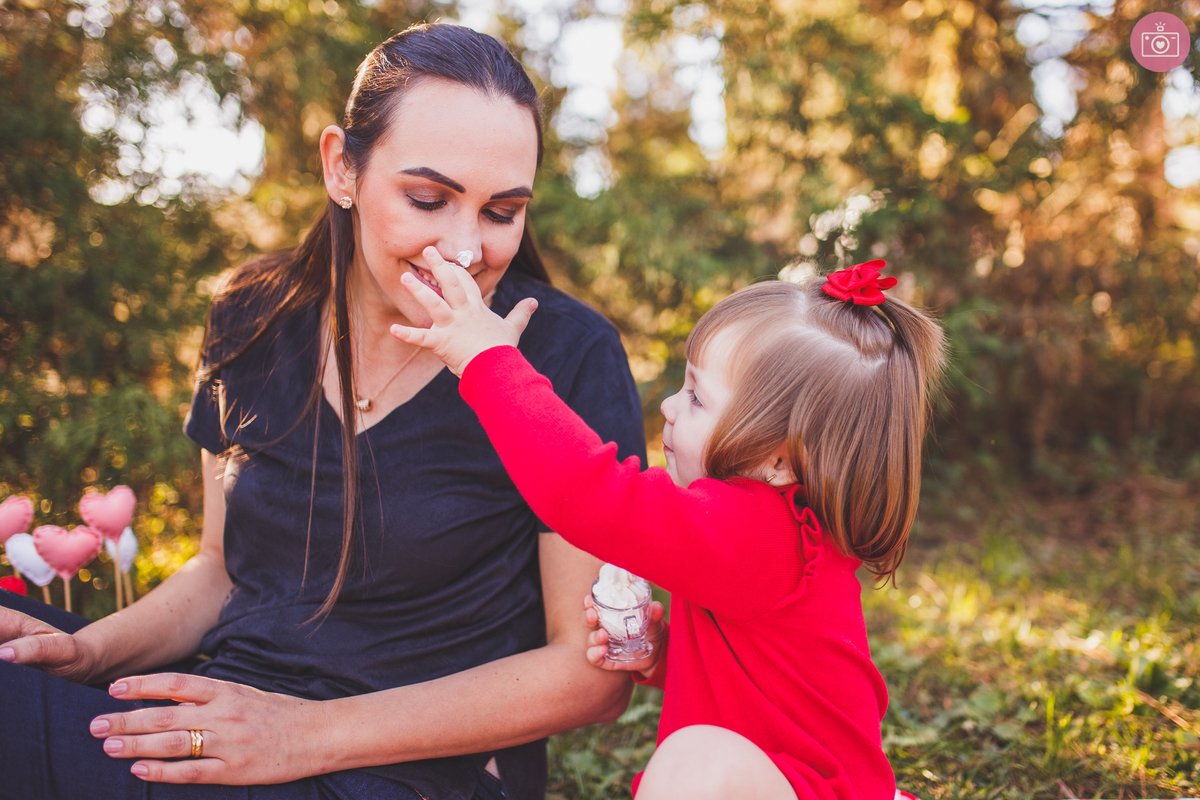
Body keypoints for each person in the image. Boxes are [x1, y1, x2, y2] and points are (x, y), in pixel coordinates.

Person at [0, 23, 647, 800]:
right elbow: (221, 570)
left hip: (401, 769)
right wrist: (92, 653)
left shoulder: (568, 354)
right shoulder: (252, 313)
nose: (467, 247)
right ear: (342, 167)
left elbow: (592, 669)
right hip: (228, 703)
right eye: (428, 199)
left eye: (502, 210)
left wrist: (302, 734)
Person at [388, 254, 947, 800]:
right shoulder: (775, 530)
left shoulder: (754, 529)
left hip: (811, 786)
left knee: (692, 765)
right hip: (790, 782)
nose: (669, 406)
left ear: (780, 460)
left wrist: (488, 362)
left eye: (698, 397)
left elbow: (588, 494)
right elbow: (764, 684)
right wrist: (662, 654)